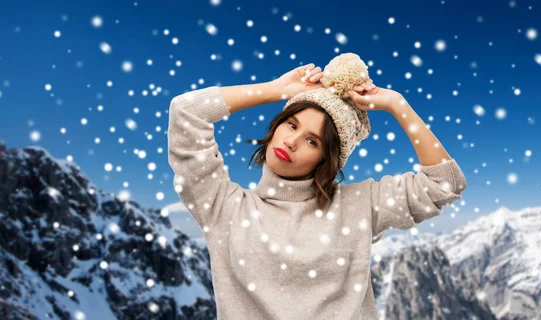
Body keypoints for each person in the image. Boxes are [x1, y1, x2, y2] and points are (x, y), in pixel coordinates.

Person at [167, 52, 467, 319]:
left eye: (312, 141)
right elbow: (186, 112)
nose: (292, 141)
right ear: (276, 126)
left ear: (328, 161)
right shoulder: (224, 207)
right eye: (291, 124)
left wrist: (396, 104)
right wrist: (276, 90)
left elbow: (444, 183)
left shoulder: (358, 206)